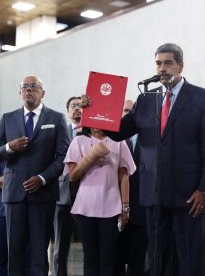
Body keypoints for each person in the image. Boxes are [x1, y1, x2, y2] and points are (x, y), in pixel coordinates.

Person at [82, 43, 205, 276]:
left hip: (190, 197)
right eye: (158, 63)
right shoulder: (147, 98)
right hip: (153, 195)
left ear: (180, 66)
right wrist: (95, 108)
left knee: (190, 260)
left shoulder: (202, 97)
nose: (162, 68)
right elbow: (118, 131)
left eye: (168, 63)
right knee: (158, 259)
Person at [0, 75, 70, 276]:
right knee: (13, 252)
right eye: (25, 87)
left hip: (43, 194)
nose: (29, 90)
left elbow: (63, 157)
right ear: (20, 92)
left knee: (38, 253)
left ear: (43, 92)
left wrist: (42, 178)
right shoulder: (8, 118)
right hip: (14, 195)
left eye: (34, 86)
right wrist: (9, 147)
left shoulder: (56, 118)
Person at [64, 127, 136, 276]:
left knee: (108, 258)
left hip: (112, 207)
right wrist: (92, 156)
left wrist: (126, 207)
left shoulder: (119, 141)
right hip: (85, 207)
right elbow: (73, 175)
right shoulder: (78, 141)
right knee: (90, 257)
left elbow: (124, 176)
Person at [114, 99, 149, 276]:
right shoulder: (112, 140)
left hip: (142, 210)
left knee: (138, 261)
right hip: (113, 209)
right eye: (125, 111)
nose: (128, 115)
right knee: (115, 260)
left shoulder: (149, 138)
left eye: (132, 111)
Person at [53, 96, 83, 276]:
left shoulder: (92, 133)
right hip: (62, 195)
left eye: (80, 105)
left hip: (88, 195)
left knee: (91, 246)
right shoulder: (60, 132)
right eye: (73, 106)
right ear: (68, 111)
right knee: (59, 246)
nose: (77, 109)